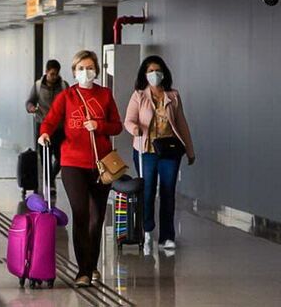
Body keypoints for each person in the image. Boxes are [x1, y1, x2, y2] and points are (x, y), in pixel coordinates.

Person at [38, 50, 122, 287]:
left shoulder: (105, 95)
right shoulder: (67, 96)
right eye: (81, 68)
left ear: (96, 69)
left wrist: (99, 125)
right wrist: (45, 133)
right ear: (74, 72)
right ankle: (83, 271)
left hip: (101, 164)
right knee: (81, 214)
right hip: (72, 163)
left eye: (90, 67)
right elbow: (51, 120)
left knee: (97, 218)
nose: (86, 72)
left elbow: (117, 126)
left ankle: (92, 264)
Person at [124, 55, 195, 251]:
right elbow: (128, 120)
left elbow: (181, 123)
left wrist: (189, 150)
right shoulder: (139, 95)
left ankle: (167, 237)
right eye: (150, 71)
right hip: (146, 150)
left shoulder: (173, 95)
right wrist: (135, 128)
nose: (154, 74)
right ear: (144, 75)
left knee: (167, 191)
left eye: (157, 70)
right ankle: (147, 230)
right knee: (147, 191)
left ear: (163, 73)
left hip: (169, 151)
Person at [26, 59, 69, 195]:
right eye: (51, 74)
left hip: (60, 128)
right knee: (45, 156)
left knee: (61, 157)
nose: (54, 77)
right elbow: (30, 101)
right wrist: (31, 107)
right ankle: (50, 184)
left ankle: (49, 178)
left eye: (56, 74)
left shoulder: (63, 86)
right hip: (43, 125)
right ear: (46, 72)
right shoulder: (38, 86)